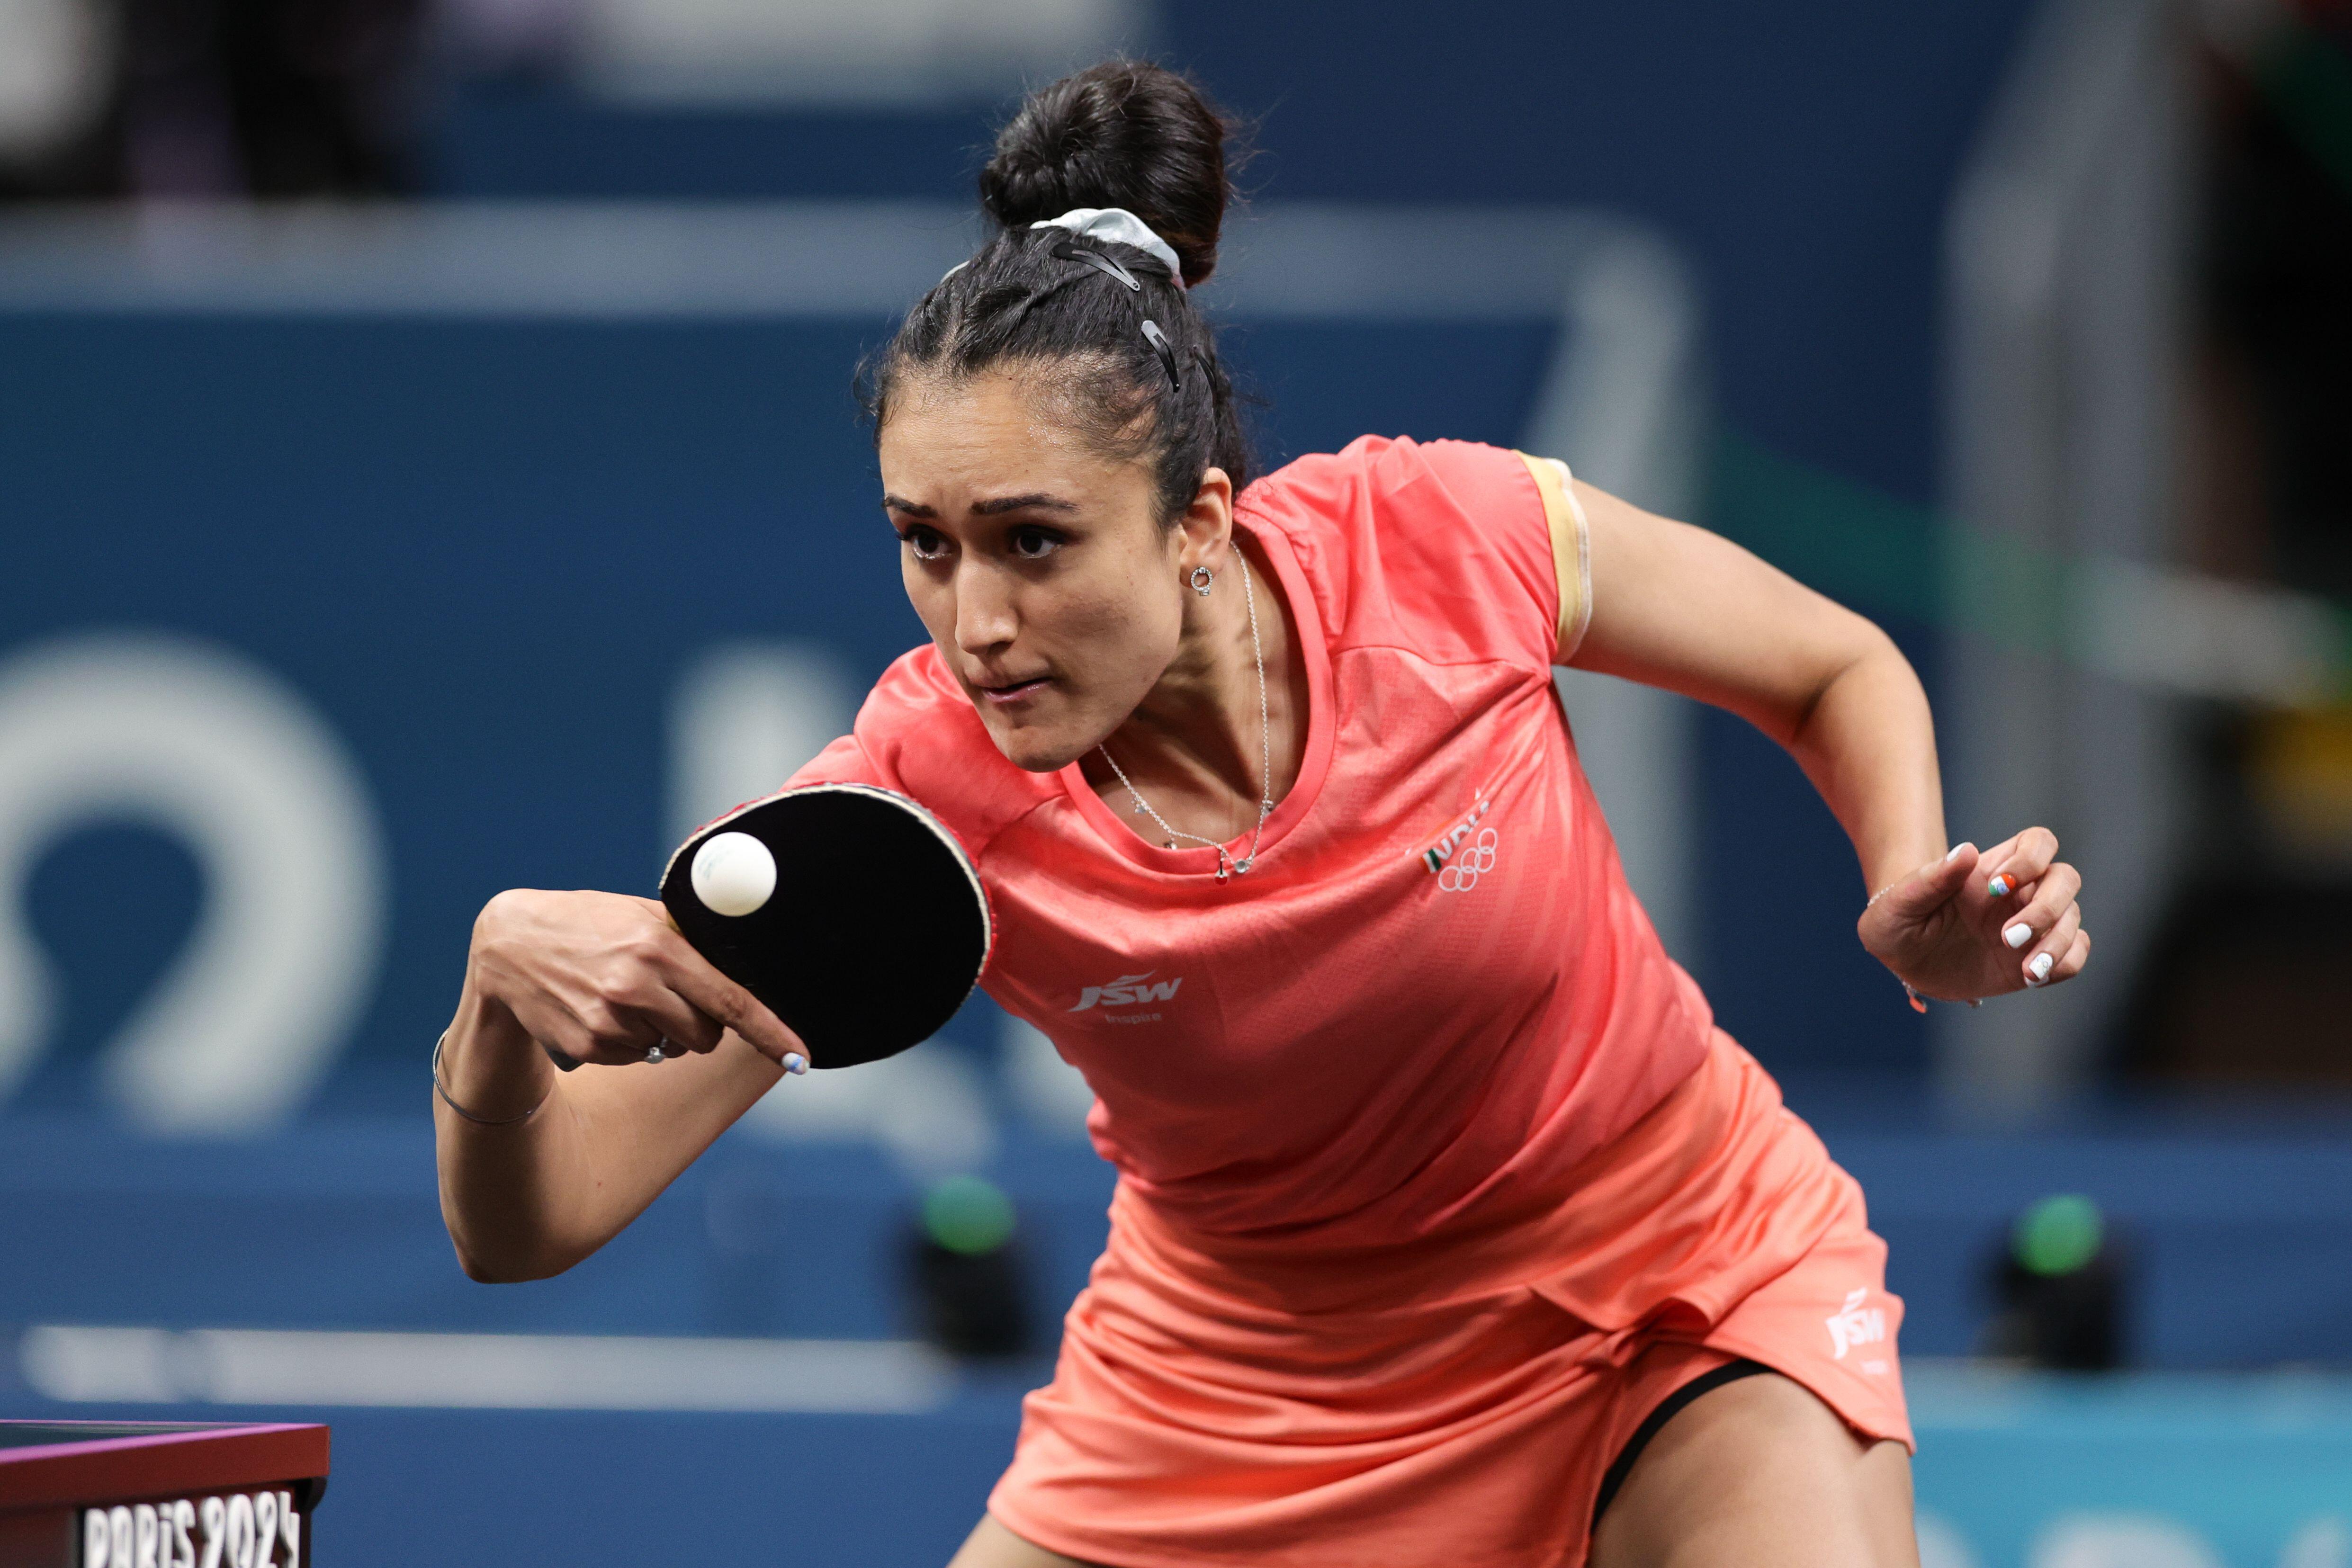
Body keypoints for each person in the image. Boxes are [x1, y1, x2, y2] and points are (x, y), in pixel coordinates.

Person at [432, 60, 2090, 1568]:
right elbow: (535, 1228)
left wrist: (1900, 882)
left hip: (1667, 1278)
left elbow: (1827, 665)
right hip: (1244, 1387)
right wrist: (497, 1008)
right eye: (923, 542)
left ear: (1199, 522)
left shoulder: (1440, 539)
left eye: (1033, 540)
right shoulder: (913, 809)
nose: (974, 621)